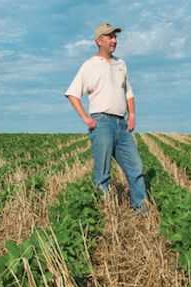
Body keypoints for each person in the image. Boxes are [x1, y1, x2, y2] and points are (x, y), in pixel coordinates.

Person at [65, 22, 148, 216]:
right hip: (102, 123)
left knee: (136, 167)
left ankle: (141, 209)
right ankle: (105, 215)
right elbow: (72, 93)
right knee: (102, 174)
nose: (114, 40)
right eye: (110, 37)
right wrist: (85, 117)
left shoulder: (121, 64)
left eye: (115, 37)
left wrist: (132, 115)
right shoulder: (89, 66)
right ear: (99, 41)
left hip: (122, 124)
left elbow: (128, 92)